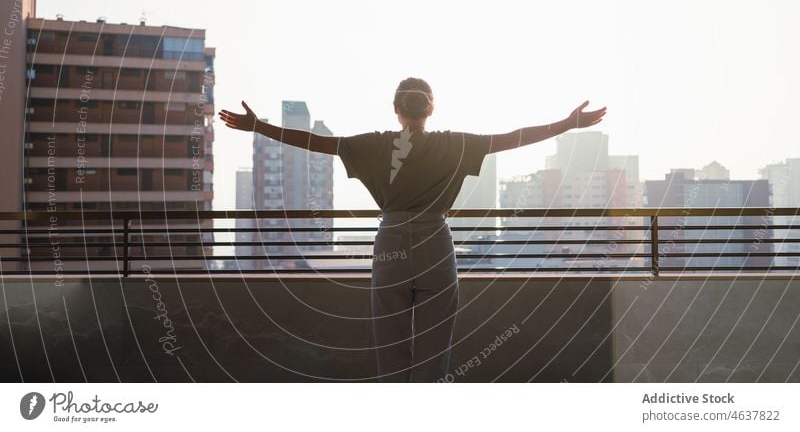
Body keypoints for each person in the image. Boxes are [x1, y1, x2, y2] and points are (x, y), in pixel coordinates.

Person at [219, 77, 606, 382]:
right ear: (431, 108)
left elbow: (316, 142)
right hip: (435, 243)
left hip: (390, 245)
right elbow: (515, 137)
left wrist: (259, 127)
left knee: (390, 342)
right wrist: (568, 123)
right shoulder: (457, 144)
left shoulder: (371, 145)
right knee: (435, 347)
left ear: (396, 109)